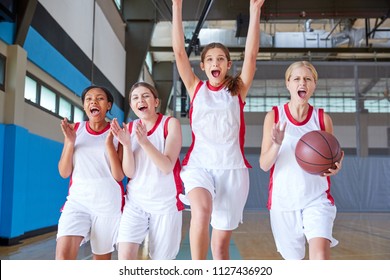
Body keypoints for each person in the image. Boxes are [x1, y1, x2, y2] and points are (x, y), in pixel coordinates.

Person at [172, 0, 265, 260]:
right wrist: (177, 6)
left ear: (227, 65)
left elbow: (252, 57)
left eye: (221, 59)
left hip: (232, 170)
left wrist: (255, 12)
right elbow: (180, 53)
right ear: (203, 66)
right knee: (201, 212)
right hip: (200, 165)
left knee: (221, 248)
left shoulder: (238, 90)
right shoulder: (195, 88)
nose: (215, 62)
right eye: (210, 59)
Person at [259, 61, 344, 260]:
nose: (302, 83)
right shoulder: (274, 116)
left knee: (320, 256)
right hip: (284, 202)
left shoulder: (323, 119)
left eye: (307, 79)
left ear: (314, 84)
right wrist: (277, 144)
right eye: (296, 79)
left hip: (316, 198)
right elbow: (264, 165)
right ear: (288, 84)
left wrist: (336, 166)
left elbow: (332, 156)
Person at [111, 82, 184, 260]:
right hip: (136, 203)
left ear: (156, 102)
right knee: (125, 257)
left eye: (145, 96)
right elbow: (129, 173)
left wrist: (144, 142)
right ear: (131, 105)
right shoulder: (129, 128)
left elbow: (167, 166)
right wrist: (127, 145)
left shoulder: (170, 124)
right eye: (135, 98)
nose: (140, 100)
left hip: (165, 204)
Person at [56, 85, 125, 260]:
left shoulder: (118, 133)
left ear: (108, 105)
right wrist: (70, 142)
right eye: (89, 99)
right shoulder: (75, 130)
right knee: (63, 258)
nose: (93, 101)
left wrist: (109, 144)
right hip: (78, 203)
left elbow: (119, 176)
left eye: (100, 98)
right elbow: (64, 172)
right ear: (85, 105)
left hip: (108, 205)